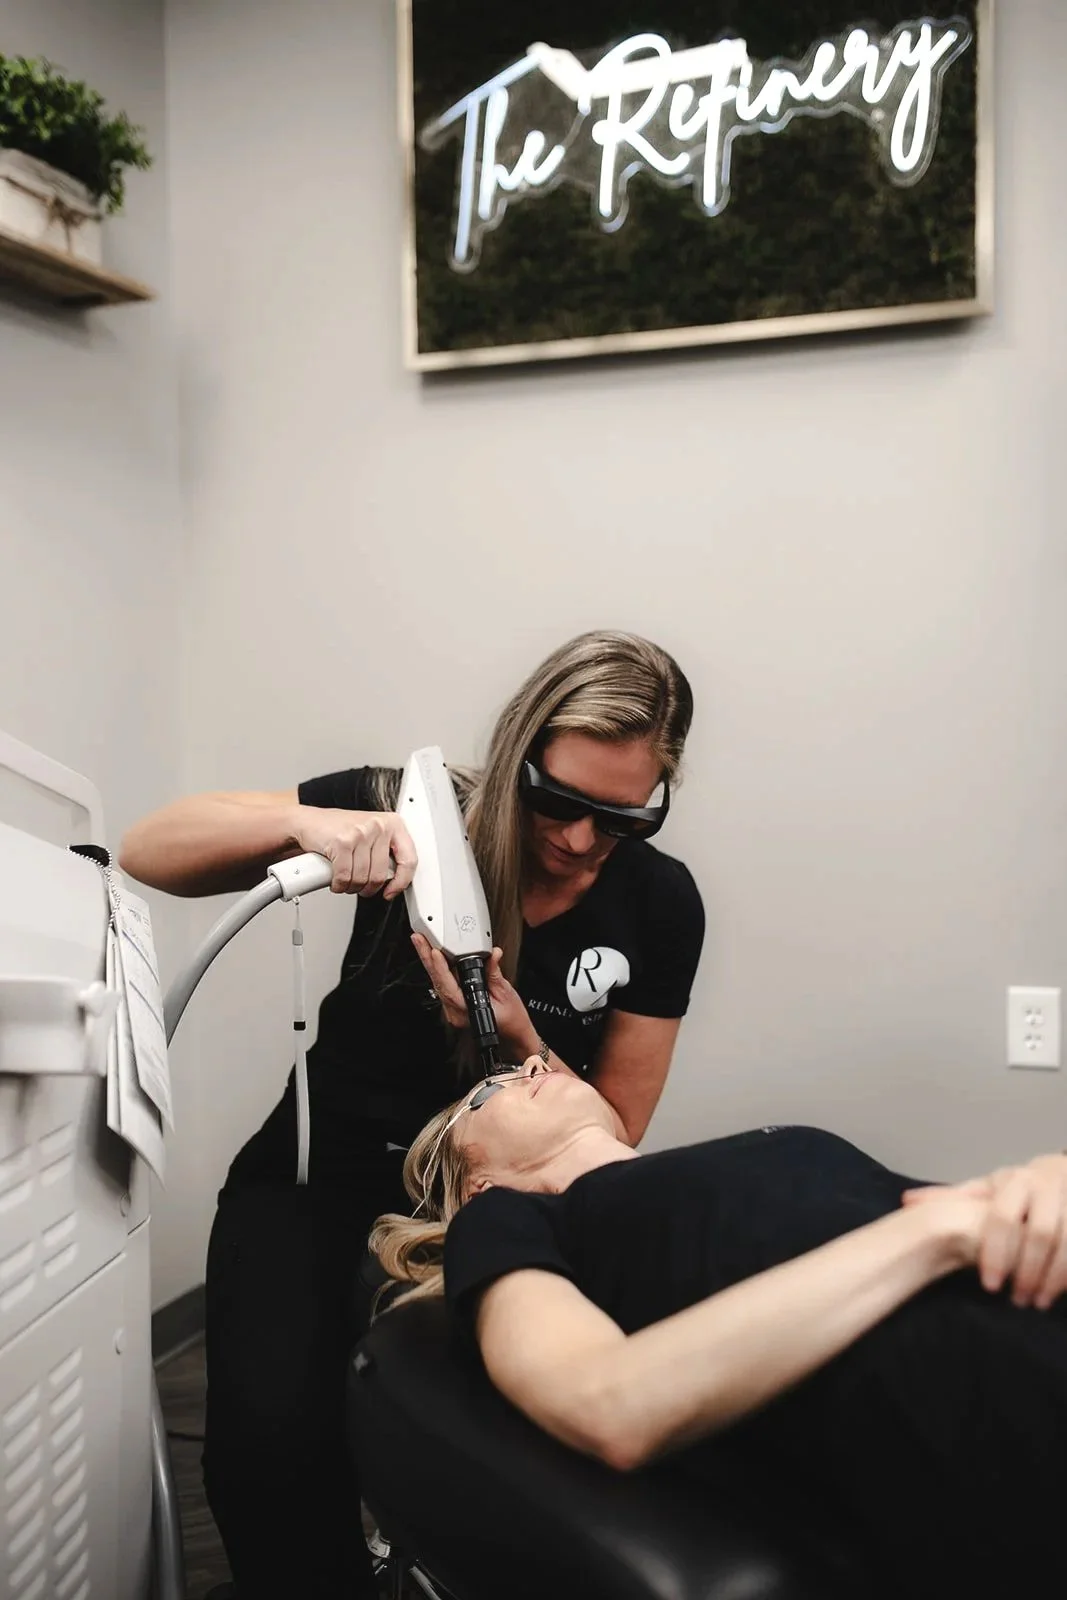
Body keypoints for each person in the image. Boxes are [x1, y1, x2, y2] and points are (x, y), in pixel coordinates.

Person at [119, 630, 705, 1600]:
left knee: (494, 1450)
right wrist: (306, 828)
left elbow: (617, 1126)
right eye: (556, 802)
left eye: (617, 819)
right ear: (518, 750)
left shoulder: (659, 903)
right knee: (269, 1446)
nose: (573, 840)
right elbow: (149, 848)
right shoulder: (414, 812)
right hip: (317, 1176)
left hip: (492, 1204)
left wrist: (515, 1031)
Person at [371, 1059, 1067, 1600]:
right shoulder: (506, 1225)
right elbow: (608, 1400)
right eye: (490, 1091)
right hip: (994, 1422)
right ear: (477, 1183)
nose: (530, 1068)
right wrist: (933, 1232)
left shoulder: (728, 1164)